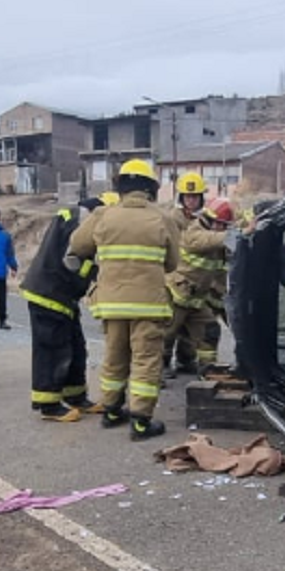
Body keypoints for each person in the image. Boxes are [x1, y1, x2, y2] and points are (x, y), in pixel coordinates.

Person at [69, 160, 178, 440]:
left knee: (114, 356)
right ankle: (141, 422)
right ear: (150, 188)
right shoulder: (163, 217)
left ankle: (112, 411)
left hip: (111, 303)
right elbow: (172, 264)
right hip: (148, 304)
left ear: (121, 186)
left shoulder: (103, 214)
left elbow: (77, 246)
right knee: (145, 359)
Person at [20, 193, 114, 421]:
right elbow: (71, 262)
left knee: (75, 347)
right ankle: (48, 404)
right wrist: (98, 273)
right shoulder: (78, 222)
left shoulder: (75, 217)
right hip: (49, 293)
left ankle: (76, 396)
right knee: (52, 350)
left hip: (62, 296)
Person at [165, 198, 234, 377]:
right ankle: (158, 370)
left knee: (209, 331)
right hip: (177, 296)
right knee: (164, 334)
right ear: (208, 220)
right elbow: (205, 240)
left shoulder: (217, 241)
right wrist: (233, 236)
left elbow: (219, 274)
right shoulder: (194, 232)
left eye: (225, 225)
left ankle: (208, 370)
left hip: (196, 301)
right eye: (220, 224)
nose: (222, 228)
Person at [164, 172, 210, 375]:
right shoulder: (172, 218)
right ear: (181, 197)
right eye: (187, 196)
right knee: (168, 328)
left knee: (191, 327)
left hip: (197, 284)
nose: (191, 200)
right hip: (176, 282)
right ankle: (162, 364)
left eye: (195, 196)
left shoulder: (206, 218)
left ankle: (186, 360)